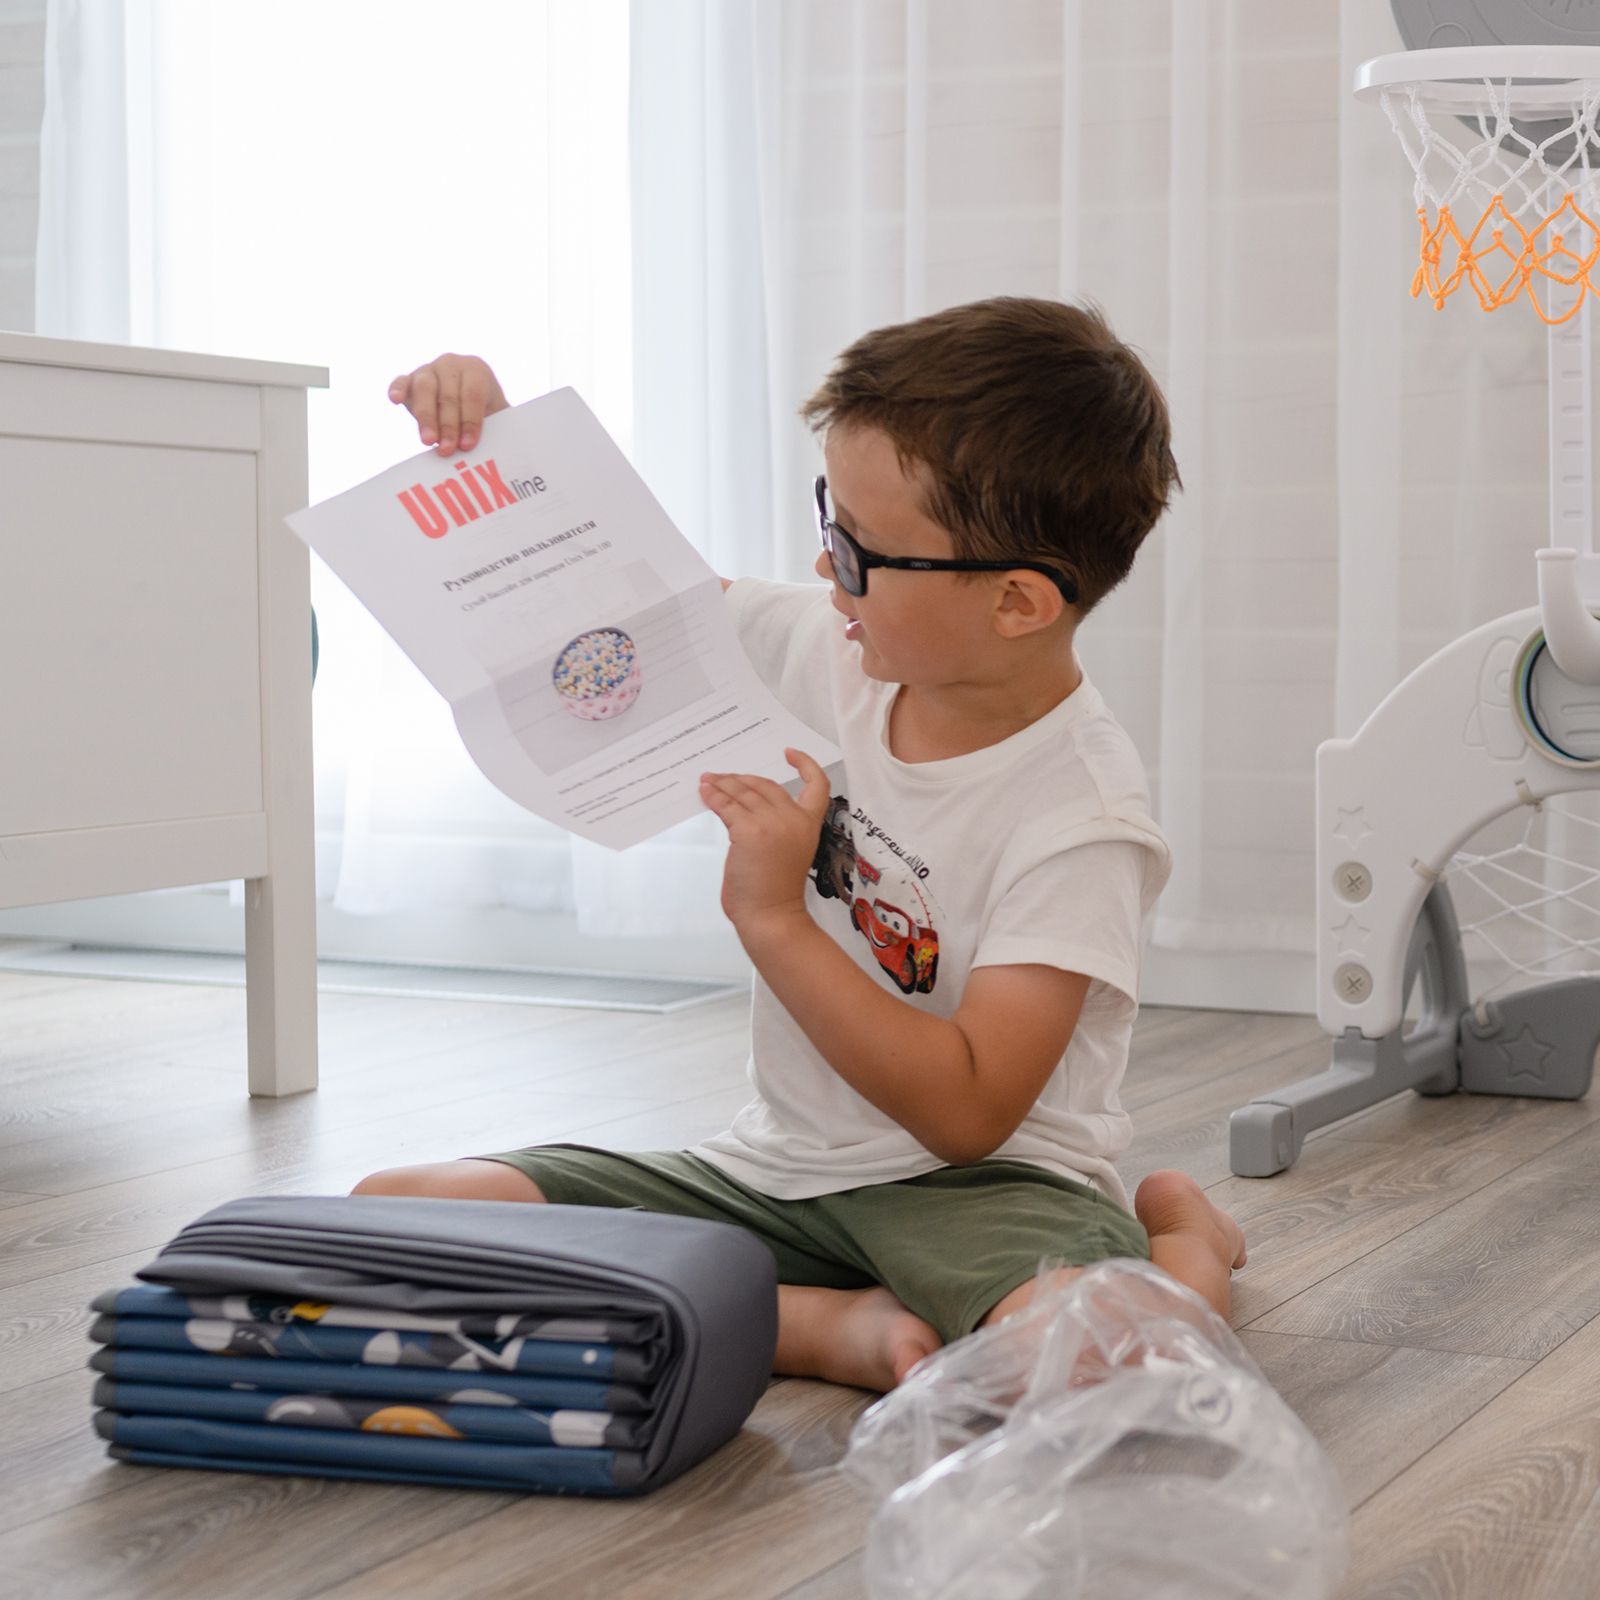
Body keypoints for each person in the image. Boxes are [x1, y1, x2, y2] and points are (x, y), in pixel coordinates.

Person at [356, 297, 1246, 1393]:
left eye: (860, 552)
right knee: (392, 1218)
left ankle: (1188, 1244)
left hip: (988, 1193)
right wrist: (502, 448)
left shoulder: (1083, 819)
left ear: (1017, 601)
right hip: (776, 1175)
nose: (828, 570)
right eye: (831, 518)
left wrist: (775, 918)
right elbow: (610, 611)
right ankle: (810, 1326)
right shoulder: (820, 644)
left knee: (1094, 1361)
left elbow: (969, 1113)